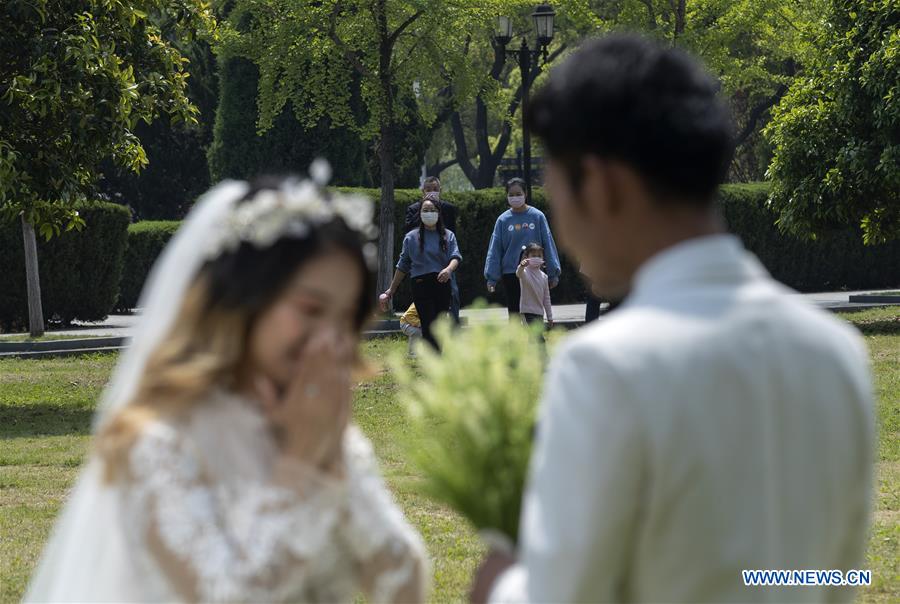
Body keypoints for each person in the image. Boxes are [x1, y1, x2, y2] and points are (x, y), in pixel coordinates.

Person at [472, 34, 873, 604]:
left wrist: (499, 583)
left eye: (558, 197)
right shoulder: (836, 352)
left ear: (602, 184)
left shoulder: (605, 366)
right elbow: (835, 578)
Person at [25, 175, 428, 603]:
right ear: (245, 299)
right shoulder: (156, 445)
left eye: (345, 318)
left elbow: (402, 580)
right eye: (311, 309)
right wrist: (299, 468)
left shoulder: (318, 429)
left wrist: (332, 458)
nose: (330, 340)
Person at [382, 200, 462, 350]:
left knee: (439, 325)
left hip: (442, 283)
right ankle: (432, 357)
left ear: (438, 213)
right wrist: (391, 289)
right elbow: (403, 265)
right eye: (425, 210)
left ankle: (437, 356)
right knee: (428, 323)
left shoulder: (448, 235)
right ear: (419, 214)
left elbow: (455, 257)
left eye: (432, 210)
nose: (429, 213)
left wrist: (448, 270)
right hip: (420, 285)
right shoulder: (411, 237)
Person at [484, 178, 561, 319]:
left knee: (534, 314)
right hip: (511, 274)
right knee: (514, 315)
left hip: (534, 273)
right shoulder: (502, 220)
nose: (515, 197)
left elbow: (548, 244)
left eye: (518, 194)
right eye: (511, 195)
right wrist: (491, 277)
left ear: (526, 194)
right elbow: (495, 250)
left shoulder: (538, 216)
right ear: (507, 196)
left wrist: (553, 273)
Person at [405, 176, 461, 323]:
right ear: (423, 191)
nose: (432, 192)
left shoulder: (448, 208)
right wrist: (423, 212)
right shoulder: (414, 209)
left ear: (440, 190)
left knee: (453, 293)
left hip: (444, 261)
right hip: (423, 262)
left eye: (435, 189)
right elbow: (409, 231)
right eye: (428, 189)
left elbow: (451, 234)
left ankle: (453, 327)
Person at [515, 243, 553, 329]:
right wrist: (521, 266)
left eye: (539, 256)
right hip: (527, 312)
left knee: (535, 336)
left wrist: (549, 317)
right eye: (533, 256)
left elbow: (546, 298)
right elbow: (518, 273)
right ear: (527, 257)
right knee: (536, 336)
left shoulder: (544, 277)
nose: (537, 258)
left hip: (539, 313)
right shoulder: (524, 272)